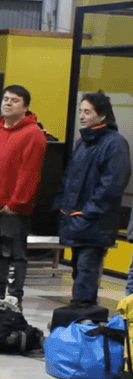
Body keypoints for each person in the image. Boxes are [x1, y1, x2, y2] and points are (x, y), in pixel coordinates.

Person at [0, 85, 47, 311]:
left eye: (15, 100)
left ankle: (14, 298)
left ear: (25, 108)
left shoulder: (33, 134)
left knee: (14, 254)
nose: (8, 103)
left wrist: (16, 203)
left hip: (12, 209)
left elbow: (29, 173)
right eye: (6, 99)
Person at [54, 92, 131, 303]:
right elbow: (69, 178)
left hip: (95, 223)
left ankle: (82, 312)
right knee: (78, 271)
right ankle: (78, 310)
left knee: (87, 271)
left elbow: (112, 185)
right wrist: (64, 207)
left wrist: (87, 212)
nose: (81, 116)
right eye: (81, 111)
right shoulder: (82, 143)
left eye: (87, 112)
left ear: (102, 115)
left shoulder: (116, 144)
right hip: (76, 219)